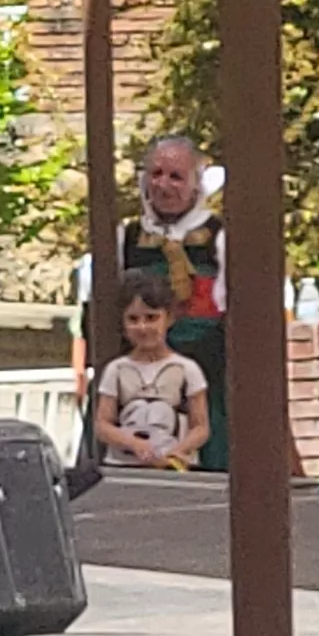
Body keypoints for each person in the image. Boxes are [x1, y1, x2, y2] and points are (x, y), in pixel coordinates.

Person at [87, 134, 230, 472]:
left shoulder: (219, 236)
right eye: (156, 174)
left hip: (206, 374)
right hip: (134, 377)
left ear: (196, 185)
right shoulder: (127, 237)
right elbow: (98, 309)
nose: (163, 185)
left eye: (176, 176)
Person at [90, 273, 209, 470]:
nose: (142, 327)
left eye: (151, 318)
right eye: (133, 319)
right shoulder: (117, 369)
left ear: (169, 318)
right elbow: (103, 424)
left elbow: (201, 427)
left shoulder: (187, 369)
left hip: (173, 467)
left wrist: (176, 451)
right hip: (124, 467)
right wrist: (133, 444)